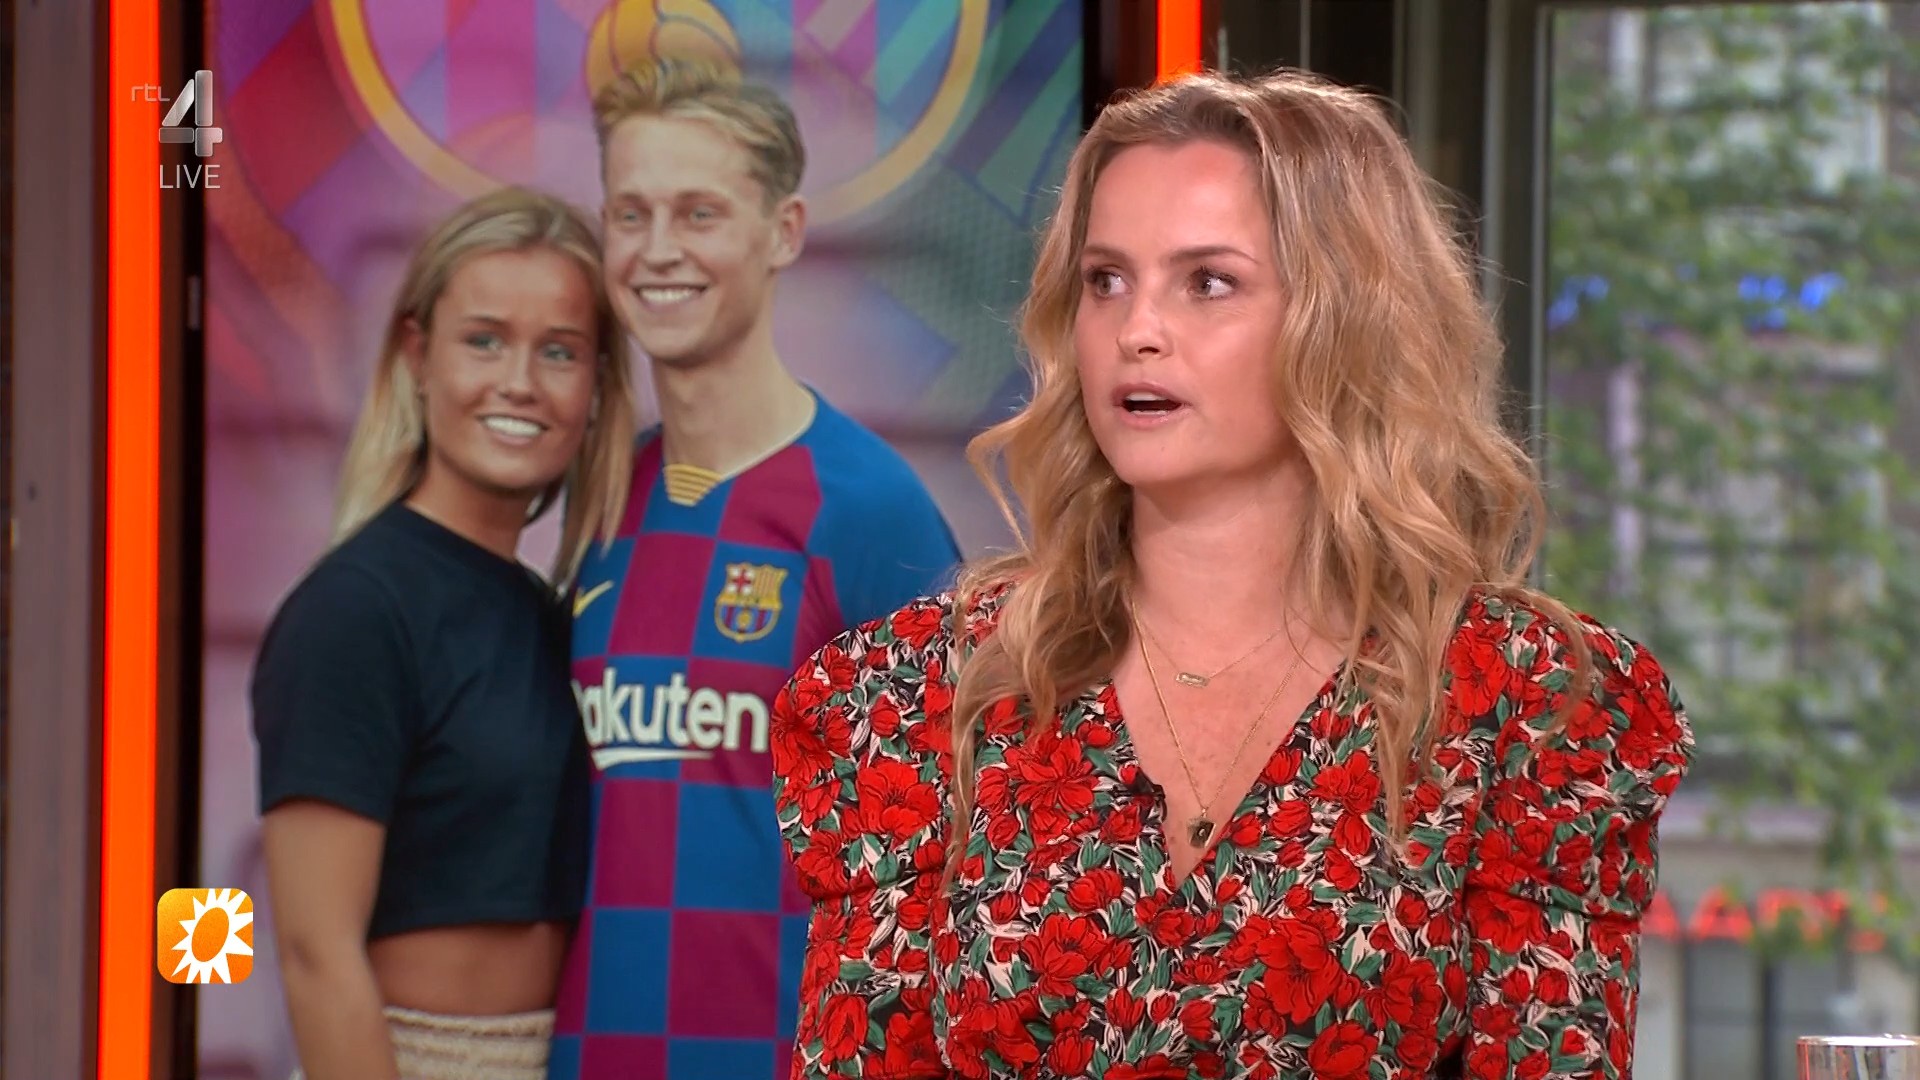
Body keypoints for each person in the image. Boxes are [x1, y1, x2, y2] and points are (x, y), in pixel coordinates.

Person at [773, 68, 1696, 1080]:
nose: (1137, 331)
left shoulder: (1521, 700)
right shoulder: (920, 697)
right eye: (1105, 281)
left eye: (1207, 282)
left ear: (1344, 320)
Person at [546, 60, 962, 1080]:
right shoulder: (599, 494)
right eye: (631, 214)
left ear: (783, 232)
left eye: (699, 213)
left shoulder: (867, 508)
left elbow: (952, 858)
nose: (658, 249)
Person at [252, 186, 639, 1080]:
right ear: (417, 356)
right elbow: (316, 956)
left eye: (559, 351)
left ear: (595, 388)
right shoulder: (355, 610)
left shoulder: (556, 616)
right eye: (484, 340)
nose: (520, 382)